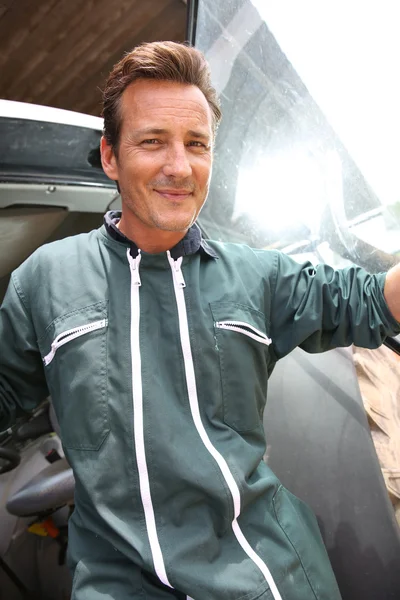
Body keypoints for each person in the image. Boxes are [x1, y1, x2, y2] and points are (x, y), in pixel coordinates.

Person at [0, 41, 399, 600]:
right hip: (118, 584)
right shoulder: (44, 280)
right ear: (111, 156)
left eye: (197, 144)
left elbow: (372, 300)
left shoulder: (257, 276)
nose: (179, 167)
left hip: (267, 573)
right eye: (152, 142)